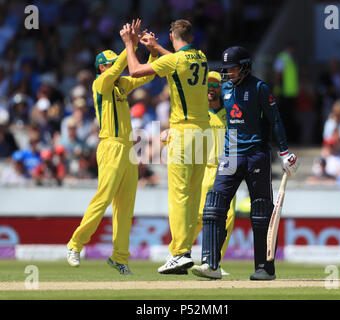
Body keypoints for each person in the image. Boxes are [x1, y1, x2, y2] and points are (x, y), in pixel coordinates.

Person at [191, 46, 299, 280]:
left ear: (245, 67)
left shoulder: (259, 88)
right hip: (230, 153)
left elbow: (276, 120)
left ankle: (265, 268)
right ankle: (211, 264)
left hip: (256, 153)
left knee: (260, 212)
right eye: (226, 69)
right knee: (214, 206)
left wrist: (284, 152)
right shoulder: (226, 88)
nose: (228, 73)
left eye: (232, 69)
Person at [66, 20, 158, 275]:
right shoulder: (101, 84)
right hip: (110, 146)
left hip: (128, 149)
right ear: (101, 68)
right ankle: (75, 244)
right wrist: (129, 44)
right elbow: (120, 64)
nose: (115, 67)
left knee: (125, 206)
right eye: (109, 64)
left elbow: (148, 74)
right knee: (104, 198)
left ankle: (119, 256)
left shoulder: (121, 85)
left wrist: (147, 48)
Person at [121, 19, 210, 274]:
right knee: (192, 197)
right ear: (191, 37)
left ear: (172, 37)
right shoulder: (201, 57)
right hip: (204, 133)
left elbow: (136, 70)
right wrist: (157, 47)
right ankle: (186, 251)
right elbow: (177, 61)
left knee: (179, 196)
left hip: (183, 132)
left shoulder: (173, 60)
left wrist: (131, 43)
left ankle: (180, 253)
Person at [192, 71, 236, 276]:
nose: (211, 88)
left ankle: (214, 262)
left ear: (221, 88)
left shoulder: (229, 110)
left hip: (227, 170)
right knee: (200, 217)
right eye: (207, 84)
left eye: (215, 85)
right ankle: (179, 254)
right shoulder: (198, 111)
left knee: (228, 217)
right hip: (205, 170)